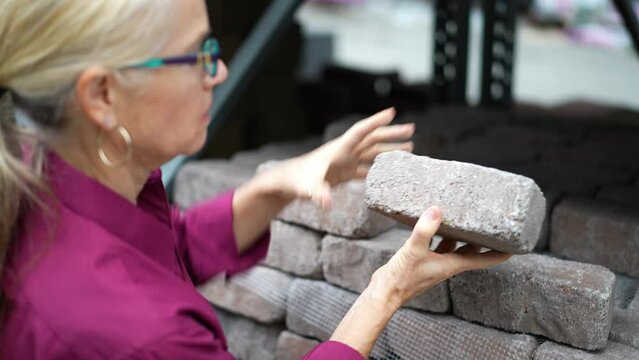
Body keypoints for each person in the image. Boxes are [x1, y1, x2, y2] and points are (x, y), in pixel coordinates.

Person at [0, 1, 511, 359]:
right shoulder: (145, 336)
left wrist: (277, 184)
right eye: (195, 55)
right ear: (102, 96)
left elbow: (159, 250)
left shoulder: (37, 170)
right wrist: (389, 289)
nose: (218, 71)